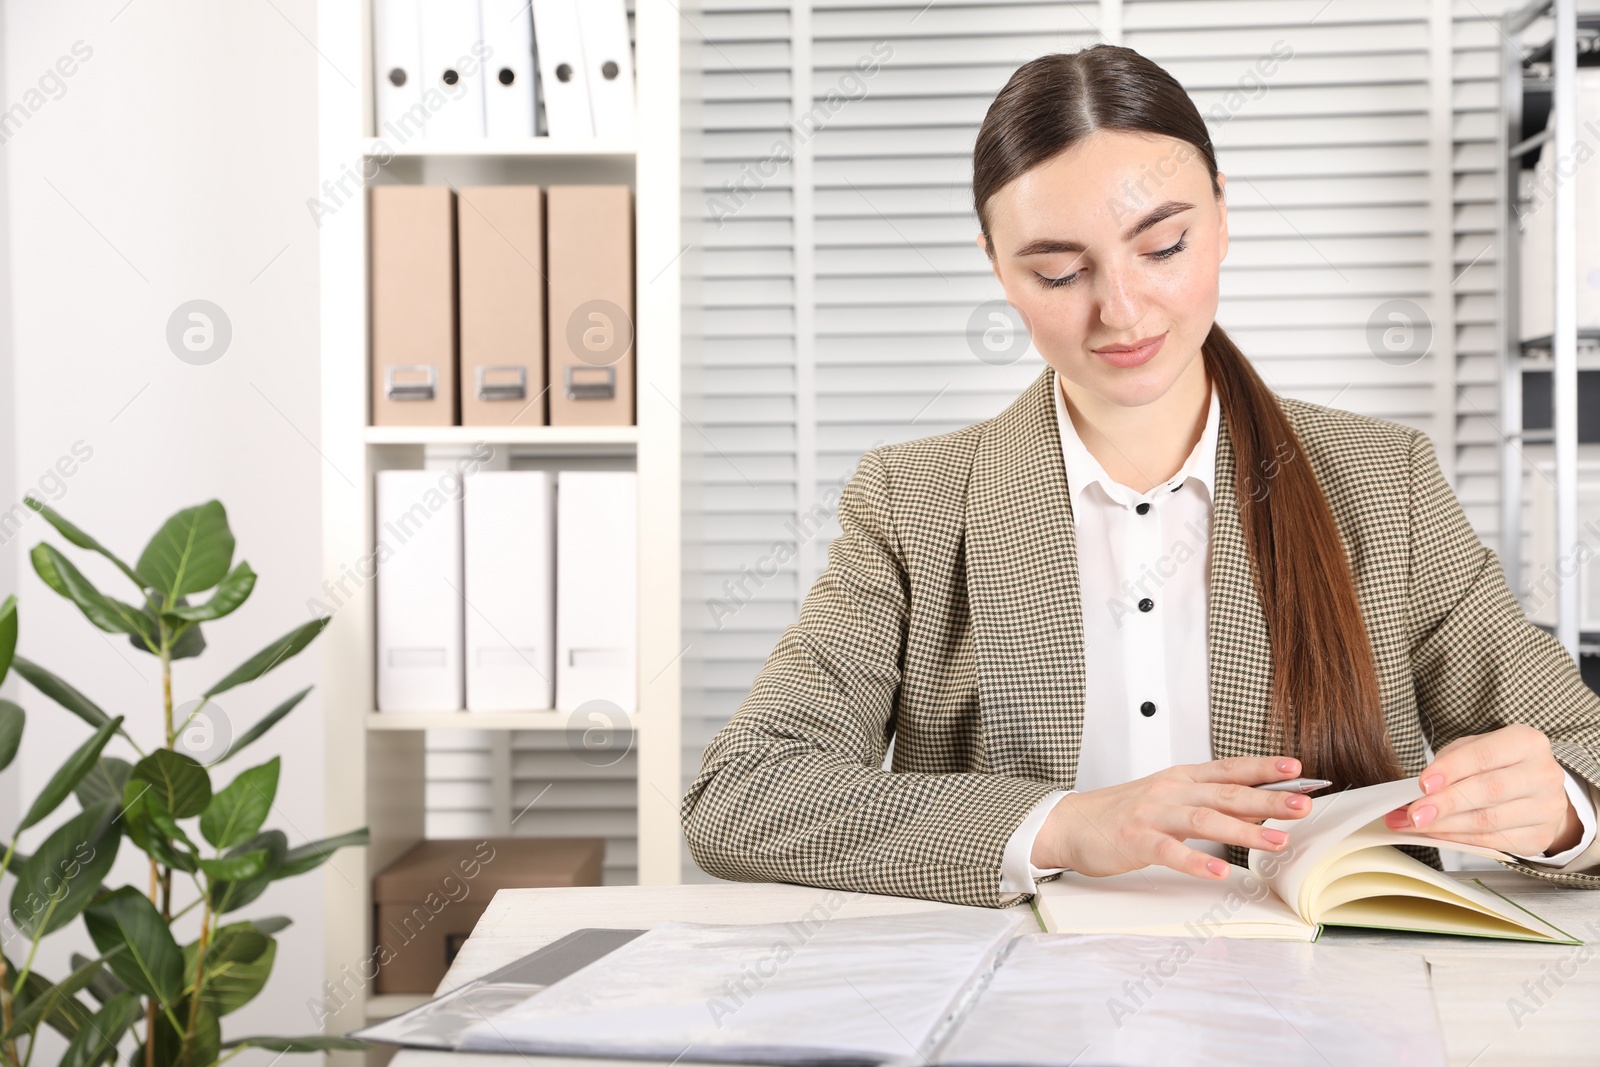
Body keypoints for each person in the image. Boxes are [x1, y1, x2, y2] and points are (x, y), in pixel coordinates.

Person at [679, 44, 1600, 908]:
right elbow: (741, 793)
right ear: (997, 269)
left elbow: (1585, 751)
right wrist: (1068, 825)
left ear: (1224, 216)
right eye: (1058, 270)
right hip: (1020, 1013)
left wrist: (1561, 810)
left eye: (1161, 248)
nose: (1122, 310)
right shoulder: (913, 502)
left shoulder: (1380, 481)